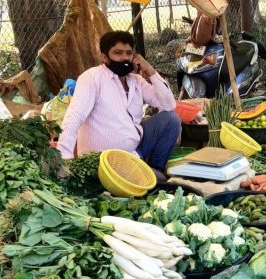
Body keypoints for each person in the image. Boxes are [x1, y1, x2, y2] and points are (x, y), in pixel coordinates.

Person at [57, 31, 180, 174]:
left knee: (171, 119)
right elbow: (73, 118)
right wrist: (64, 159)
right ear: (104, 57)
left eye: (128, 53)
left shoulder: (136, 81)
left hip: (135, 152)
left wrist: (151, 71)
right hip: (103, 162)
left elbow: (168, 105)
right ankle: (144, 172)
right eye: (118, 53)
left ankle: (153, 171)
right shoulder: (92, 78)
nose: (124, 58)